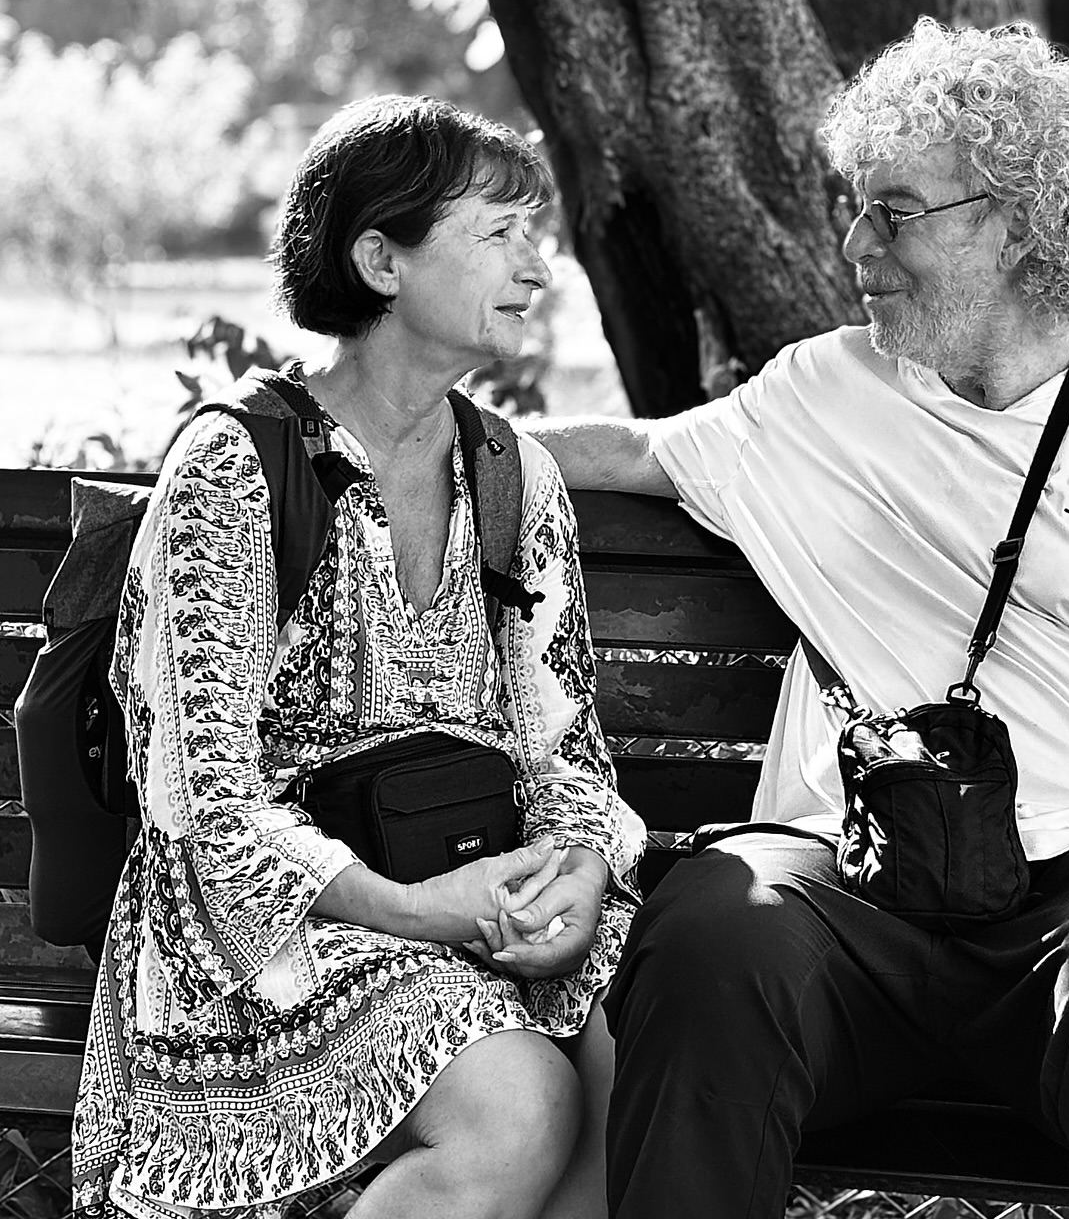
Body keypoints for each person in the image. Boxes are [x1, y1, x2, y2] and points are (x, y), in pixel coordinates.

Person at [530, 19, 1069, 1219]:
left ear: (1013, 220)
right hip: (850, 883)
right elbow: (633, 453)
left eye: (894, 210)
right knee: (713, 931)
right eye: (855, 208)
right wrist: (377, 433)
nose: (857, 245)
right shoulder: (822, 391)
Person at [72, 96, 646, 1219]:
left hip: (474, 893)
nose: (539, 267)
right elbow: (208, 808)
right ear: (381, 259)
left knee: (653, 1038)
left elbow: (564, 751)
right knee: (518, 1104)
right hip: (261, 941)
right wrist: (428, 910)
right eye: (500, 233)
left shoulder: (514, 475)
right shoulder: (237, 470)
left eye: (538, 233)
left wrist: (574, 874)